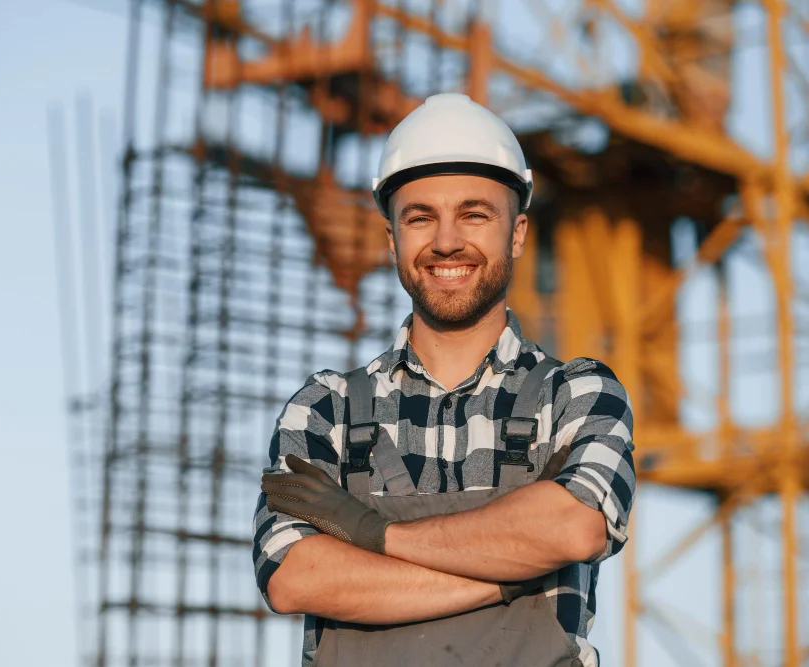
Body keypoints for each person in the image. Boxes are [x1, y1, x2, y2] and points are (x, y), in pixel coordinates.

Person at [252, 92, 635, 667]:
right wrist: (510, 573)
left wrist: (374, 535)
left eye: (474, 214)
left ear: (518, 234)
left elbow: (574, 530)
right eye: (420, 217)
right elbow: (296, 578)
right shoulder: (324, 409)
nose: (447, 240)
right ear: (392, 241)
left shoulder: (577, 395)